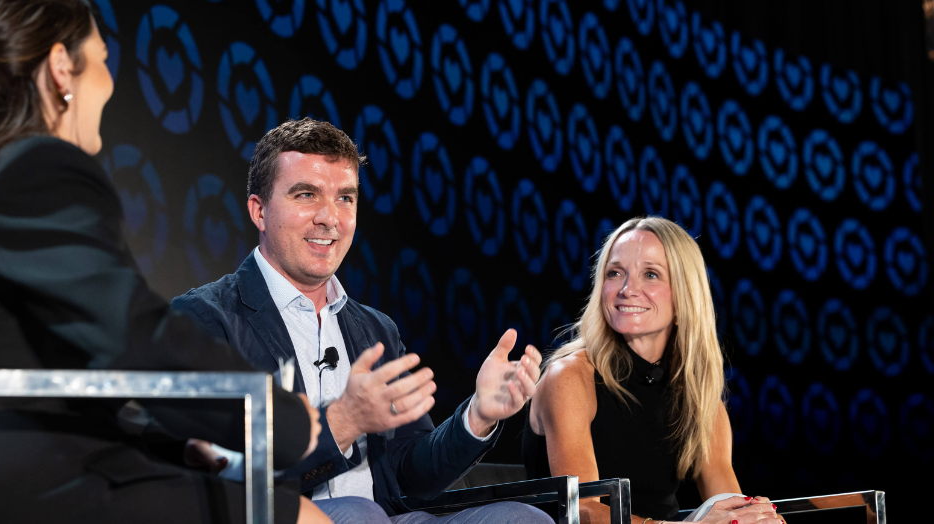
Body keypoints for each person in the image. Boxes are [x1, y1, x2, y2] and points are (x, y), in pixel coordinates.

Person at [0, 1, 326, 523]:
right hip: (18, 475)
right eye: (102, 59)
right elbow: (130, 336)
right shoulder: (35, 167)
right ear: (62, 67)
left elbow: (41, 365)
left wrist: (171, 448)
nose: (109, 81)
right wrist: (277, 418)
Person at [171, 117, 553, 524]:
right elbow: (216, 471)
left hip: (384, 518)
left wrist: (478, 414)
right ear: (259, 211)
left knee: (523, 519)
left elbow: (412, 475)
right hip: (283, 516)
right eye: (306, 195)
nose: (329, 218)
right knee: (358, 513)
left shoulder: (375, 330)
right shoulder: (206, 319)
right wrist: (342, 423)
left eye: (345, 198)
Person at [523, 217, 782, 524]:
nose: (627, 289)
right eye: (615, 273)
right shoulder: (568, 377)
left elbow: (727, 503)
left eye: (650, 274)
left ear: (684, 295)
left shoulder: (699, 395)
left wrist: (755, 515)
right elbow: (583, 511)